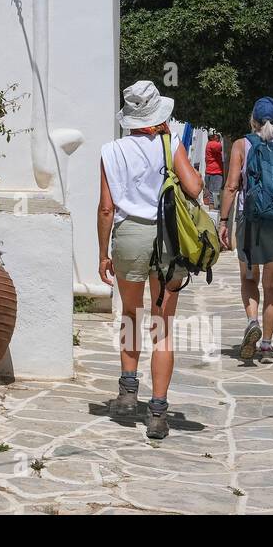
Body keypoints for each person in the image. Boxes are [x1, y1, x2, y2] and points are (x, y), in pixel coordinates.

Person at [97, 80, 203, 440]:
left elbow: (107, 208)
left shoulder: (111, 150)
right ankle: (157, 412)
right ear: (157, 114)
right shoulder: (169, 143)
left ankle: (128, 392)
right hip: (167, 238)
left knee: (130, 314)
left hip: (129, 237)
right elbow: (195, 187)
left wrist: (102, 254)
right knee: (163, 327)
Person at [216, 97, 273, 362]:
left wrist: (223, 222)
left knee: (248, 279)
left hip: (250, 223)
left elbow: (232, 186)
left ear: (252, 120)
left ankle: (251, 321)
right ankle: (267, 346)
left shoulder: (240, 145)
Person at [203, 131, 224, 209]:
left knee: (212, 194)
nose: (218, 137)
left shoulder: (208, 144)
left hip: (209, 172)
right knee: (215, 194)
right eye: (216, 136)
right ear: (212, 136)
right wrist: (220, 140)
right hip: (215, 172)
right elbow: (220, 147)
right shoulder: (213, 144)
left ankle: (213, 211)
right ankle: (215, 211)